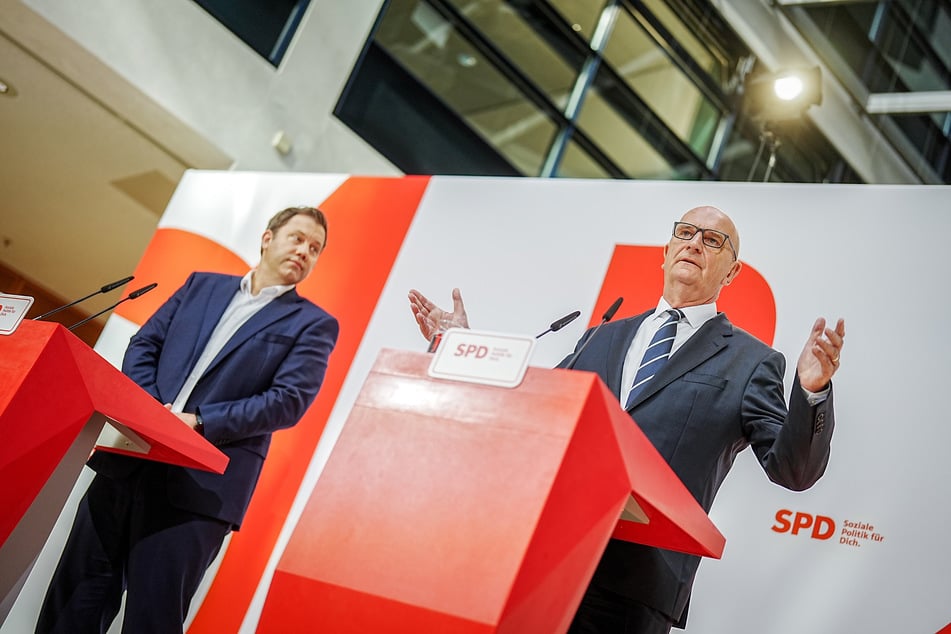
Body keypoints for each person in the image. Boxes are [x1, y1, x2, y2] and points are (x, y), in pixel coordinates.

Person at [408, 205, 845, 633]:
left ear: (731, 273)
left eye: (713, 241)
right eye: (686, 232)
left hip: (634, 588)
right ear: (667, 250)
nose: (695, 244)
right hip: (545, 558)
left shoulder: (751, 361)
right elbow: (532, 415)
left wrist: (811, 391)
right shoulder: (602, 335)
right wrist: (462, 349)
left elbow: (793, 469)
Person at [36, 206, 339, 633]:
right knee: (74, 600)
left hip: (199, 489)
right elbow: (144, 345)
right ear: (268, 238)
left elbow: (287, 401)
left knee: (153, 619)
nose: (305, 251)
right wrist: (151, 411)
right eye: (298, 238)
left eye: (315, 248)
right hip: (129, 462)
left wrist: (197, 421)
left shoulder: (314, 324)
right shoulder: (202, 285)